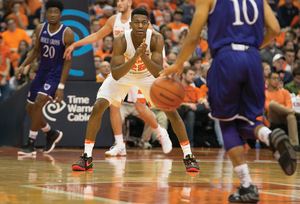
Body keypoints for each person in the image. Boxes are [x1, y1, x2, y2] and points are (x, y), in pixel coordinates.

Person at [161, 0, 297, 202]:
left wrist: (178, 63)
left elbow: (194, 35)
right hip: (253, 58)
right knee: (247, 120)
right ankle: (269, 136)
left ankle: (247, 185)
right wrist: (251, 46)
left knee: (226, 123)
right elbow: (276, 28)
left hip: (226, 58)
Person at [69, 8, 199, 172]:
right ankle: (86, 157)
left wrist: (143, 56)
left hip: (147, 75)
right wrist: (135, 57)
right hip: (123, 74)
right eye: (136, 22)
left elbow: (157, 72)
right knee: (98, 107)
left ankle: (189, 157)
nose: (140, 25)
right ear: (130, 24)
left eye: (143, 23)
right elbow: (115, 74)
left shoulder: (156, 38)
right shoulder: (121, 39)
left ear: (148, 24)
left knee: (172, 111)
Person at [64, 0, 172, 159]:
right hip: (122, 66)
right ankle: (120, 144)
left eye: (122, 0)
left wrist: (162, 60)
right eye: (118, 1)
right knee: (114, 106)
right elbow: (97, 35)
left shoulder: (138, 20)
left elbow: (153, 38)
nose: (119, 3)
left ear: (129, 2)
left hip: (139, 66)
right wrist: (75, 44)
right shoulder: (113, 20)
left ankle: (160, 131)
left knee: (140, 107)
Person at [15, 0, 74, 155]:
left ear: (60, 14)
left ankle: (31, 143)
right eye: (50, 12)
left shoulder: (67, 33)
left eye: (56, 12)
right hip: (41, 71)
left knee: (39, 102)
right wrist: (23, 65)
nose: (53, 15)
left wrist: (61, 86)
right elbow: (35, 51)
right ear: (46, 13)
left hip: (55, 73)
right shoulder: (40, 29)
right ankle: (50, 133)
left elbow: (68, 61)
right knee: (30, 108)